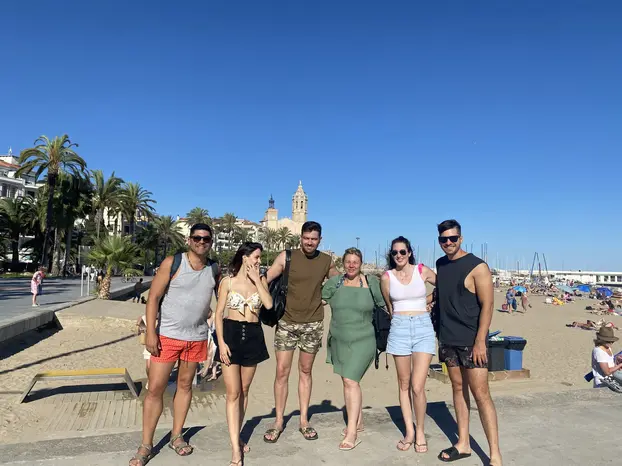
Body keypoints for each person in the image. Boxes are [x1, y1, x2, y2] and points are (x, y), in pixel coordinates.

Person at [129, 223, 219, 466]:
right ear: (189, 240)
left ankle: (177, 436)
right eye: (197, 238)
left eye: (206, 239)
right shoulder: (174, 262)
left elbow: (223, 300)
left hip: (196, 337)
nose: (202, 242)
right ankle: (146, 445)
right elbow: (153, 298)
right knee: (155, 389)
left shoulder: (214, 269)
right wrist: (151, 332)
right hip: (167, 336)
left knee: (185, 386)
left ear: (211, 242)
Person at [263, 221, 339, 443]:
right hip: (286, 322)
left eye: (314, 239)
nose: (309, 242)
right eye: (306, 238)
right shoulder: (286, 257)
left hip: (313, 324)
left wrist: (327, 297)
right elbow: (265, 278)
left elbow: (339, 283)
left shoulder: (326, 261)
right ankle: (278, 421)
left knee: (305, 371)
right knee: (282, 372)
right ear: (301, 238)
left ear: (320, 240)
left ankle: (304, 420)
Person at [435, 219, 502, 466]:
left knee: (481, 394)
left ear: (461, 239)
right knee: (457, 388)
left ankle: (495, 455)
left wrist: (481, 341)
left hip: (472, 341)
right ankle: (463, 443)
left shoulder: (478, 266)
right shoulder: (441, 264)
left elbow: (488, 305)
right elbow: (443, 294)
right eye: (444, 239)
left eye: (453, 238)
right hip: (448, 338)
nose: (448, 243)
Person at [214, 242, 273, 466]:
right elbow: (219, 313)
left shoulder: (261, 280)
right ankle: (235, 450)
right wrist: (221, 343)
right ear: (245, 257)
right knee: (233, 393)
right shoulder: (227, 282)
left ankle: (237, 435)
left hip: (254, 336)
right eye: (256, 257)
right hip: (231, 335)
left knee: (245, 390)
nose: (259, 261)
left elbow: (268, 304)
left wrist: (257, 280)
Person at [322, 248, 384, 451]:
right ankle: (358, 422)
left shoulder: (370, 283)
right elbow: (318, 301)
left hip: (364, 340)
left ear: (360, 264)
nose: (351, 265)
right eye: (348, 261)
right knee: (349, 381)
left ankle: (352, 433)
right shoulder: (334, 283)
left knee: (350, 380)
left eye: (355, 262)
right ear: (343, 263)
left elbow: (385, 304)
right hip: (339, 340)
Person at [380, 236, 436, 453]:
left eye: (402, 251)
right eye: (395, 252)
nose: (399, 256)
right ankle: (409, 432)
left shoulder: (422, 271)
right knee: (403, 384)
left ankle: (420, 431)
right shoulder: (387, 277)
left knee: (417, 386)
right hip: (399, 328)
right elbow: (390, 306)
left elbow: (444, 286)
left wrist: (425, 302)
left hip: (423, 327)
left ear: (409, 253)